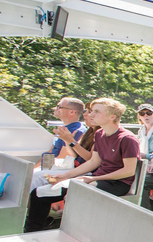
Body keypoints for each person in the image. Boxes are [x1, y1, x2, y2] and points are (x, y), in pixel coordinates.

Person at [24, 98, 141, 232]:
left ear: (112, 117)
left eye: (96, 112)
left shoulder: (127, 139)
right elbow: (93, 162)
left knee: (76, 193)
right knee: (39, 193)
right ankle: (33, 232)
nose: (91, 114)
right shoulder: (99, 134)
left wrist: (93, 179)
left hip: (117, 183)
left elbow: (129, 171)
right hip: (96, 179)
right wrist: (64, 176)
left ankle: (73, 235)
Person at [37, 97, 87, 168]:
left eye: (59, 107)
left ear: (72, 112)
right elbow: (49, 152)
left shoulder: (75, 131)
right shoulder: (63, 128)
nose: (54, 108)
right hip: (48, 166)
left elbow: (62, 158)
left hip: (57, 168)